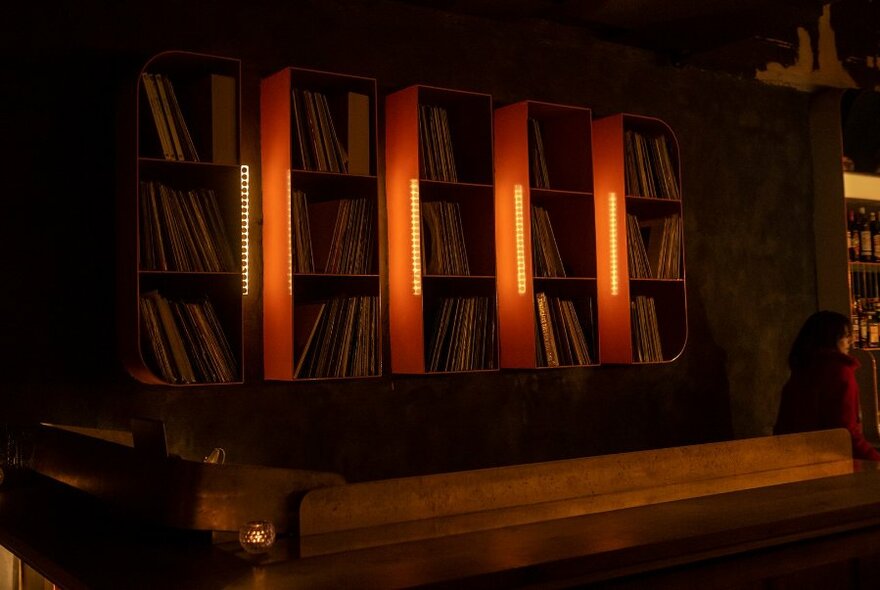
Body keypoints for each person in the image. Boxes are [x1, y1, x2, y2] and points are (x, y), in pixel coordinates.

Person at [774, 310, 880, 460]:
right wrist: (875, 459)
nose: (850, 341)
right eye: (845, 336)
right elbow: (846, 433)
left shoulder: (802, 370)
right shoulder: (840, 372)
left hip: (797, 462)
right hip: (834, 463)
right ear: (830, 339)